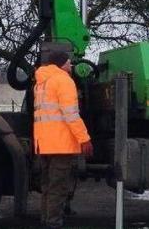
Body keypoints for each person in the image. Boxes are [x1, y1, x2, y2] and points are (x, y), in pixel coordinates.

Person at [33, 51, 93, 229]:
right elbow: (71, 114)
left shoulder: (41, 83)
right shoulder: (63, 80)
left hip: (44, 143)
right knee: (58, 187)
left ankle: (46, 220)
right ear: (61, 64)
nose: (71, 65)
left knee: (48, 186)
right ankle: (53, 223)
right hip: (61, 144)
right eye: (68, 62)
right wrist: (84, 139)